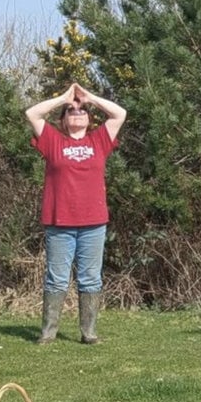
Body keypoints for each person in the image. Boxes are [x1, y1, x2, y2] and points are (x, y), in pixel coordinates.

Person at [24, 83, 126, 345]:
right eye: (71, 111)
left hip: (94, 222)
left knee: (90, 278)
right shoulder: (53, 141)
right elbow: (32, 114)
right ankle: (48, 332)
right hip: (59, 222)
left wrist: (89, 97)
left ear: (90, 118)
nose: (77, 113)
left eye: (81, 111)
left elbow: (119, 114)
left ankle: (88, 333)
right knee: (56, 279)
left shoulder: (99, 140)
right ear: (63, 119)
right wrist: (64, 98)